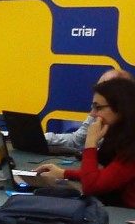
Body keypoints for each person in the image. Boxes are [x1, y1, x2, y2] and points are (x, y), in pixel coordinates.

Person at [35, 77, 135, 208]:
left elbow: (91, 186)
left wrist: (91, 142)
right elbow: (107, 175)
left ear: (120, 108)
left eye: (98, 108)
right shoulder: (122, 135)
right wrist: (64, 173)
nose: (92, 114)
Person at [45, 68, 134, 155]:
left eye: (104, 89)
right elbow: (77, 139)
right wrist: (42, 138)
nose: (92, 114)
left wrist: (91, 144)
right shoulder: (97, 113)